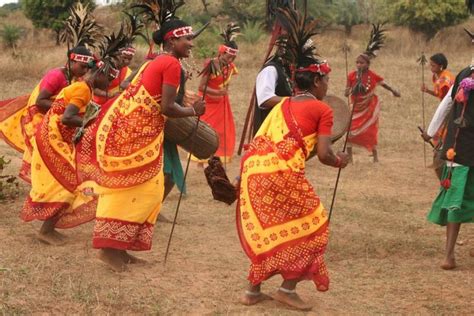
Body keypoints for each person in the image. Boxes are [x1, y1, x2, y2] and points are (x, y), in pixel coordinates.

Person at [237, 8, 349, 311]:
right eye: (326, 81)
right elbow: (325, 154)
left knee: (269, 231)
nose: (328, 87)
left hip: (253, 170)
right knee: (315, 227)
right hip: (281, 174)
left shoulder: (282, 105)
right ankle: (287, 289)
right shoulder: (322, 110)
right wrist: (342, 160)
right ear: (315, 83)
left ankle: (252, 291)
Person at [75, 14, 205, 271]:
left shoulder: (157, 61)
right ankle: (108, 250)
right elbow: (167, 107)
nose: (191, 43)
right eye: (188, 38)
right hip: (136, 133)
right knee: (133, 189)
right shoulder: (170, 64)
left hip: (135, 130)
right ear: (173, 39)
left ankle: (120, 248)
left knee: (147, 189)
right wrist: (194, 111)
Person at [20, 60, 113, 246]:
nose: (110, 82)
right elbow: (67, 117)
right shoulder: (82, 90)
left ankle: (48, 229)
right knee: (70, 181)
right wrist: (91, 125)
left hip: (56, 136)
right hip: (52, 137)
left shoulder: (84, 88)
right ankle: (45, 231)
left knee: (67, 182)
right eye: (109, 77)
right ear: (99, 74)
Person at [0, 46, 93, 182]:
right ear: (72, 62)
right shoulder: (56, 75)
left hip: (55, 117)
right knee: (45, 148)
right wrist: (63, 109)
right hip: (38, 116)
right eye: (82, 67)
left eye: (87, 68)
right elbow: (40, 101)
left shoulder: (77, 80)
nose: (85, 71)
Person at [422, 63, 474, 270]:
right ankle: (448, 255)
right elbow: (448, 102)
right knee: (456, 198)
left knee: (458, 196)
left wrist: (431, 130)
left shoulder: (464, 72)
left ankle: (449, 255)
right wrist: (432, 130)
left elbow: (446, 103)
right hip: (460, 146)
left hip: (458, 145)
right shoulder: (464, 73)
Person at [345, 24, 401, 163]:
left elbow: (383, 84)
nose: (359, 65)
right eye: (357, 63)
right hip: (355, 107)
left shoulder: (372, 75)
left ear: (368, 64)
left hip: (369, 107)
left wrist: (394, 91)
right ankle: (350, 157)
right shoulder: (351, 75)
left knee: (370, 131)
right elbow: (346, 91)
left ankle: (375, 156)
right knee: (350, 131)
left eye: (362, 63)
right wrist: (348, 91)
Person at [196, 23, 239, 163]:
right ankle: (201, 160)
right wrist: (217, 92)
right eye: (228, 57)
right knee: (205, 131)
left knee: (222, 131)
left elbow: (227, 84)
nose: (230, 60)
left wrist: (222, 94)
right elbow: (201, 87)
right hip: (207, 103)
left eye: (233, 58)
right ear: (222, 52)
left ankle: (217, 157)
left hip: (221, 103)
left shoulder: (230, 66)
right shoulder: (211, 65)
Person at [421, 53, 455, 178]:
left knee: (442, 139)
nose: (431, 67)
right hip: (445, 110)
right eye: (430, 65)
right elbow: (440, 96)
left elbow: (448, 101)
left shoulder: (445, 80)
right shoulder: (437, 77)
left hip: (449, 113)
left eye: (433, 65)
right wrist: (428, 91)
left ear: (441, 66)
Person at [253, 40, 293, 136]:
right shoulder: (270, 70)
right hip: (270, 131)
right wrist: (294, 101)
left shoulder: (289, 69)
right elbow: (265, 99)